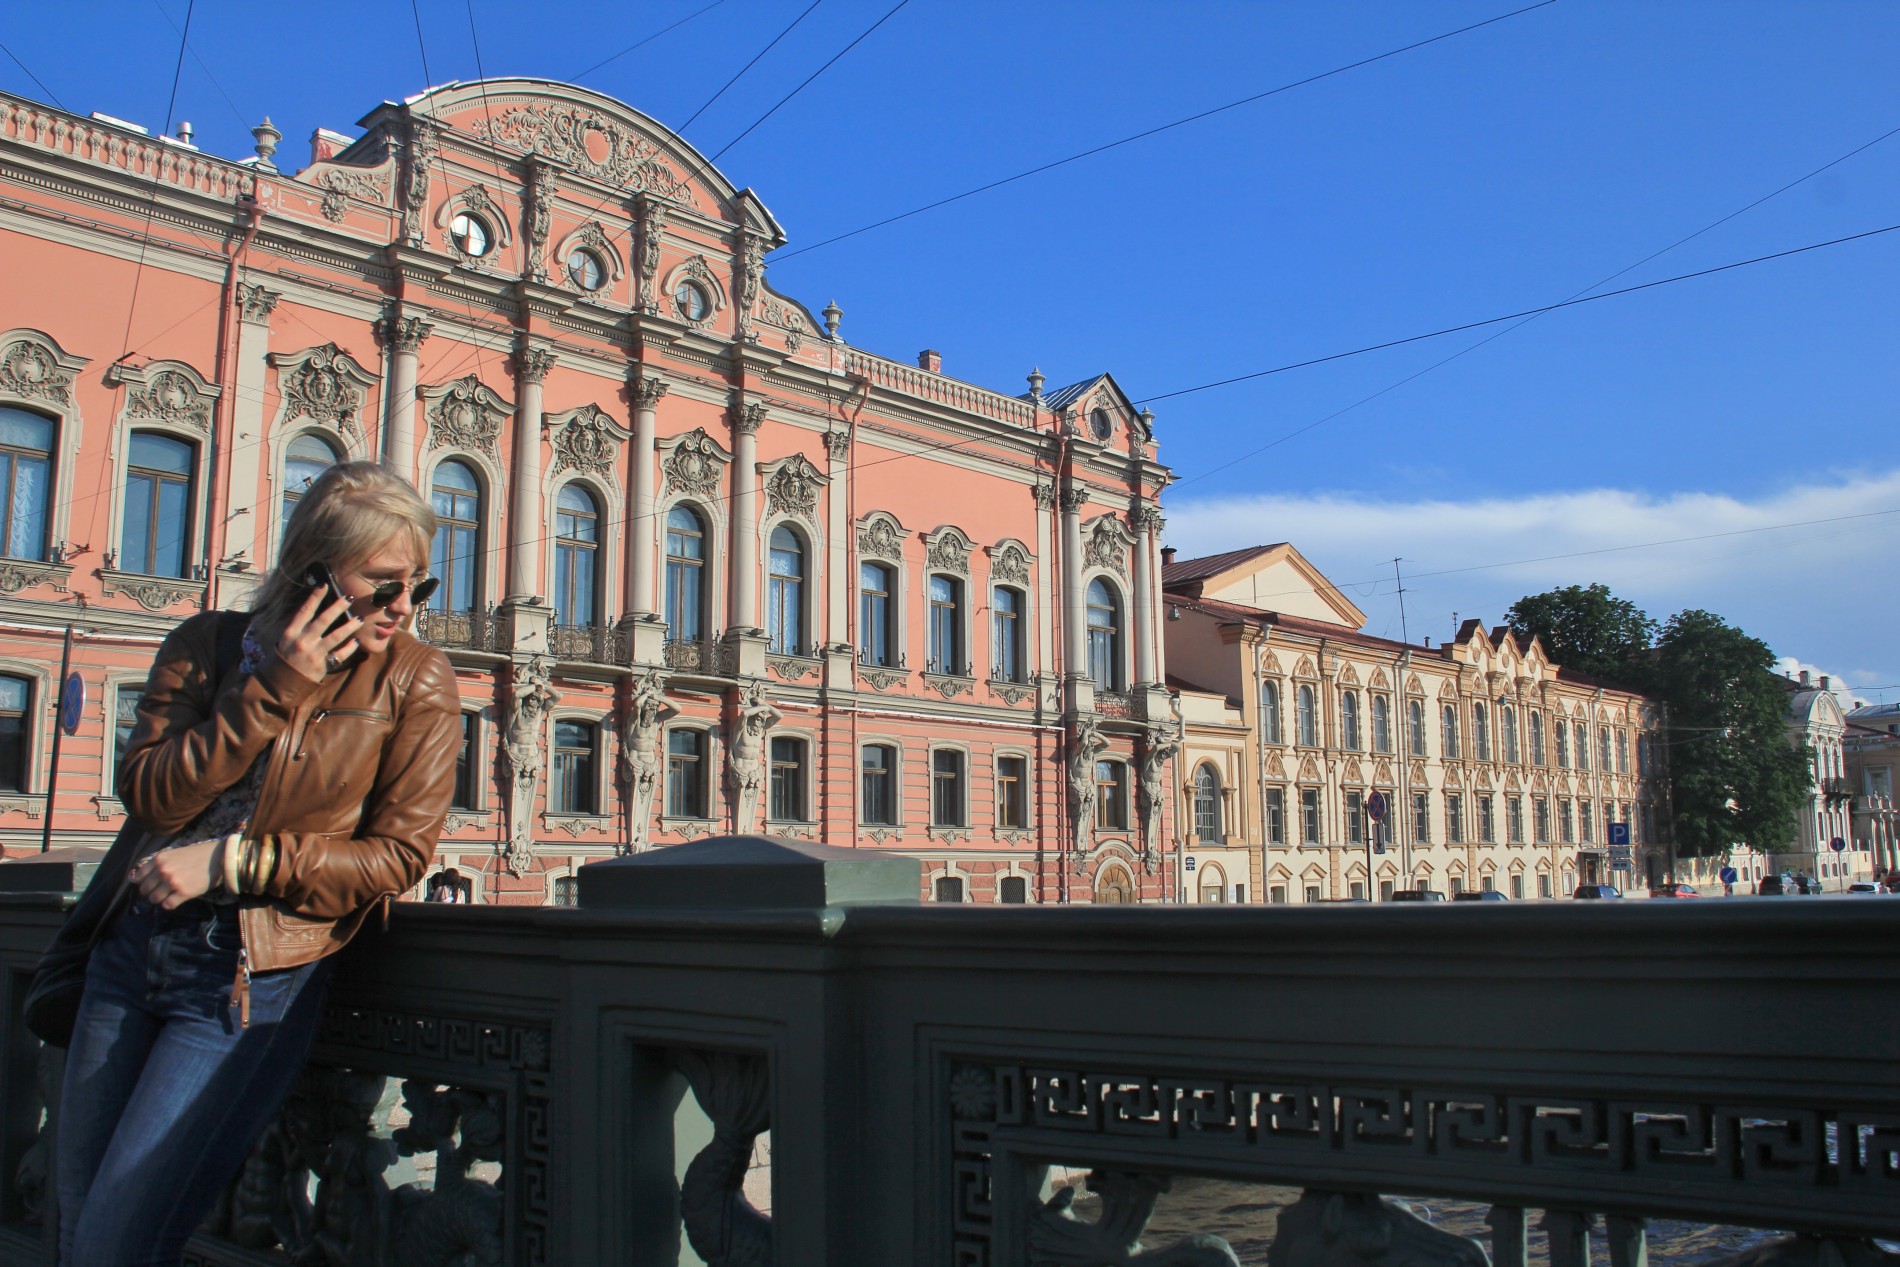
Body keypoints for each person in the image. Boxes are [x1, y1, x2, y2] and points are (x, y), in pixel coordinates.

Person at [56, 462, 461, 1266]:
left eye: (419, 583)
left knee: (115, 1242)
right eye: (384, 585)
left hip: (246, 981)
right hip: (127, 954)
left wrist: (236, 860)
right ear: (313, 571)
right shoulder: (206, 646)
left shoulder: (416, 678)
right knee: (72, 1226)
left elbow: (398, 856)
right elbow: (151, 797)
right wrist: (273, 686)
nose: (403, 607)